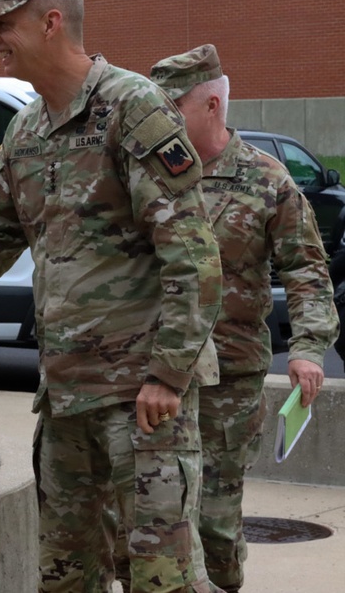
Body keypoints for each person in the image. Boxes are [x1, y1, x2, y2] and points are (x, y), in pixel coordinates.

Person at [0, 0, 223, 592]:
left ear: (50, 22)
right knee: (65, 577)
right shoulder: (24, 132)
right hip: (65, 403)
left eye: (3, 23)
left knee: (161, 578)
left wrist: (169, 375)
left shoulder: (133, 108)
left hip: (142, 403)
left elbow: (194, 255)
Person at [126, 44, 338, 592]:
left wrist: (310, 348)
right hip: (150, 373)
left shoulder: (267, 181)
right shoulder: (145, 176)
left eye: (174, 110)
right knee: (146, 520)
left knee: (214, 518)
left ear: (213, 105)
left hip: (228, 378)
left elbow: (308, 270)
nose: (162, 124)